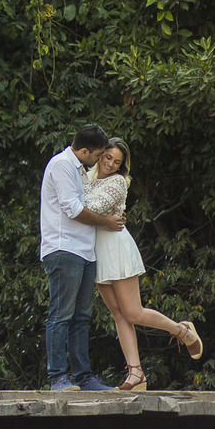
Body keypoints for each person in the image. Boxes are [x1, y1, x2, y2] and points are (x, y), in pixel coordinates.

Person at [85, 138, 203, 391]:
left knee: (133, 312)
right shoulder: (87, 177)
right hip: (97, 251)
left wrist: (78, 209)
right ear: (100, 154)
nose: (110, 164)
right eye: (108, 157)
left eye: (117, 162)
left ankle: (182, 331)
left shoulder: (117, 182)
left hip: (116, 247)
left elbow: (88, 208)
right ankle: (136, 373)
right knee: (118, 314)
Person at [40, 124, 126, 392]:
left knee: (80, 317)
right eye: (99, 154)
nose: (100, 160)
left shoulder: (79, 170)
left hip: (85, 251)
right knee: (61, 314)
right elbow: (74, 209)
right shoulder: (62, 165)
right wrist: (107, 222)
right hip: (64, 248)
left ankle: (84, 378)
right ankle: (58, 378)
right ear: (86, 150)